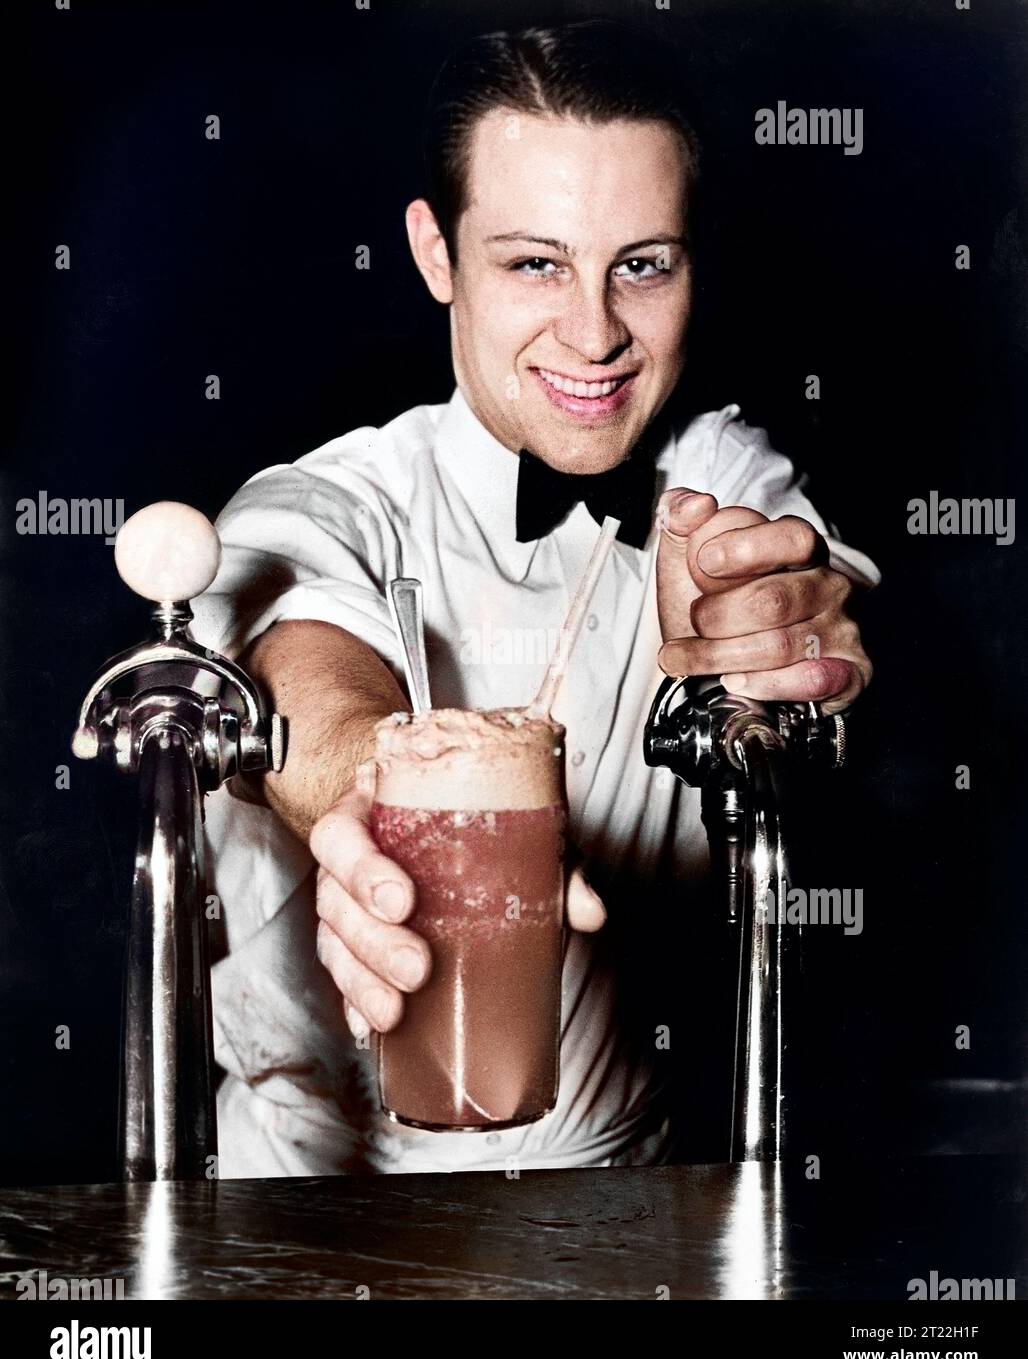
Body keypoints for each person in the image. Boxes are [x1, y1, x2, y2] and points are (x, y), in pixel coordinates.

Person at [190, 21, 877, 1177]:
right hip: (310, 1213)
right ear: (435, 255)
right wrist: (373, 803)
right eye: (533, 263)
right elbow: (295, 659)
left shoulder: (717, 480)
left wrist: (771, 639)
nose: (596, 332)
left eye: (641, 264)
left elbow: (806, 598)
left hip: (628, 1218)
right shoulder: (330, 498)